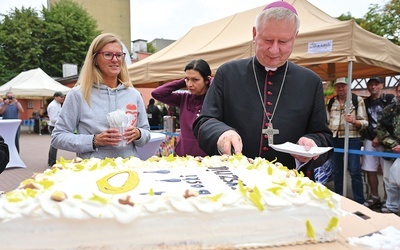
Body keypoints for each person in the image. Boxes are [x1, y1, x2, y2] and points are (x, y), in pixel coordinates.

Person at [193, 2, 332, 170]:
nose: (274, 50)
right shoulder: (228, 73)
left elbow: (323, 136)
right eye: (267, 40)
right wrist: (221, 133)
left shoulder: (311, 82)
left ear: (295, 37)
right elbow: (205, 122)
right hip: (233, 178)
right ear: (254, 33)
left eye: (283, 41)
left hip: (287, 186)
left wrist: (312, 143)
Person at [51, 33, 150, 159]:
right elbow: (58, 137)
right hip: (93, 172)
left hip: (128, 170)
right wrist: (94, 140)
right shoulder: (78, 94)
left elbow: (146, 133)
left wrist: (139, 134)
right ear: (95, 59)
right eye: (108, 54)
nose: (115, 60)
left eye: (119, 55)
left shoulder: (133, 94)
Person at [152, 59, 212, 157]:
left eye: (195, 80)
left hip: (208, 159)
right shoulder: (183, 98)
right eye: (187, 79)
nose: (189, 84)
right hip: (183, 158)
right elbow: (157, 93)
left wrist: (212, 82)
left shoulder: (214, 100)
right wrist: (181, 82)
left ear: (207, 80)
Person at [327, 77, 368, 204]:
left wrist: (354, 121)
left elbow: (365, 122)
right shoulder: (331, 101)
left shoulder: (357, 100)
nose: (340, 88)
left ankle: (359, 201)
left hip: (352, 139)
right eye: (338, 86)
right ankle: (339, 199)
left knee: (355, 170)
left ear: (348, 86)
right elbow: (328, 120)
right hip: (335, 139)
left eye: (343, 86)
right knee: (337, 170)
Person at [361, 77, 394, 209]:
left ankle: (388, 199)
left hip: (387, 141)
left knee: (387, 171)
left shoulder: (389, 99)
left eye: (376, 84)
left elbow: (391, 119)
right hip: (369, 140)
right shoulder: (365, 102)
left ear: (381, 85)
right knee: (370, 169)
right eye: (371, 85)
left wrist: (379, 137)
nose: (373, 87)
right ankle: (375, 196)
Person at [376, 84, 400, 214]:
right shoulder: (389, 109)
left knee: (398, 178)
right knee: (388, 180)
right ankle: (391, 207)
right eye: (399, 91)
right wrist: (392, 144)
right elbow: (380, 128)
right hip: (390, 150)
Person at [47, 91, 66, 166]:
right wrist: (62, 120)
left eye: (63, 97)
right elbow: (53, 119)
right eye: (61, 97)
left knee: (55, 145)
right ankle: (51, 161)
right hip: (53, 127)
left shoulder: (58, 104)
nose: (63, 98)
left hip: (56, 126)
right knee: (54, 145)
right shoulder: (53, 106)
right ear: (55, 97)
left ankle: (52, 160)